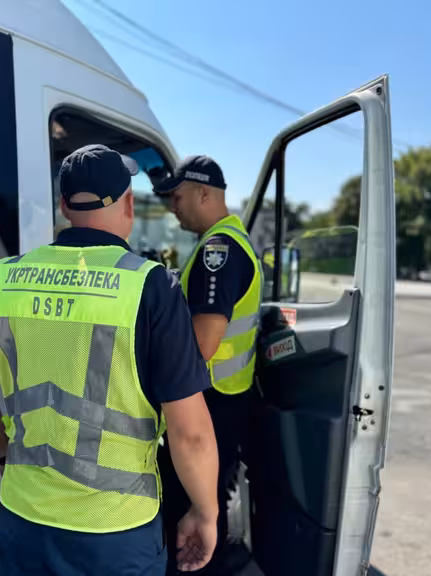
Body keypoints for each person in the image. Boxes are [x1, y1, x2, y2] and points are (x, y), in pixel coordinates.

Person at [0, 144, 219, 576]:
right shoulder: (150, 287)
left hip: (22, 522)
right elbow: (192, 436)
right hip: (115, 534)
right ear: (128, 204)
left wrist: (5, 452)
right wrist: (205, 513)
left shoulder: (5, 279)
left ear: (64, 205)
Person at [154, 155, 262, 574]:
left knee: (193, 516)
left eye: (177, 197)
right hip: (223, 400)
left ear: (203, 193)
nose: (172, 207)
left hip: (210, 406)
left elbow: (202, 344)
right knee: (204, 509)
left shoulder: (220, 250)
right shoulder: (225, 242)